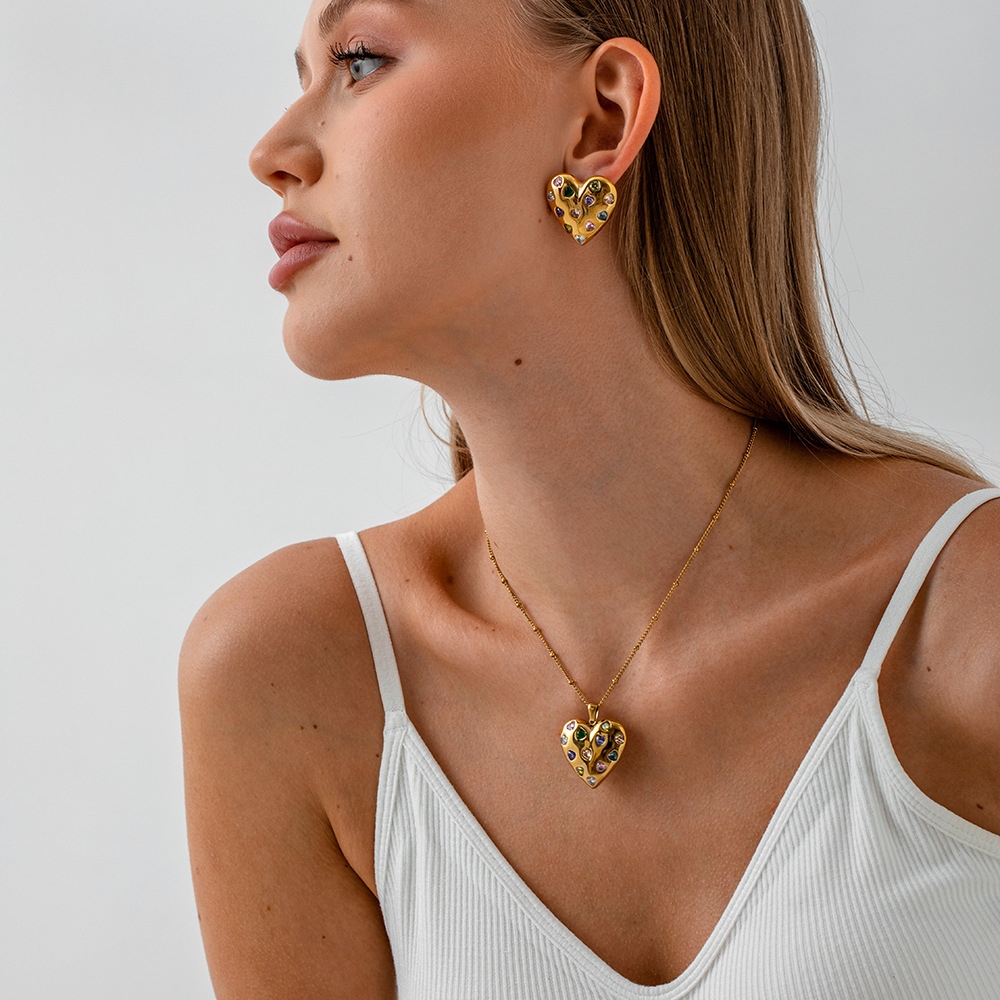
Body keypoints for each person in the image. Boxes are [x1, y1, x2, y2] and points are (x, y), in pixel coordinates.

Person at [178, 0, 1000, 996]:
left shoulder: (967, 623)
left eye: (358, 61)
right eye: (304, 74)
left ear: (601, 118)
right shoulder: (293, 675)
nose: (271, 152)